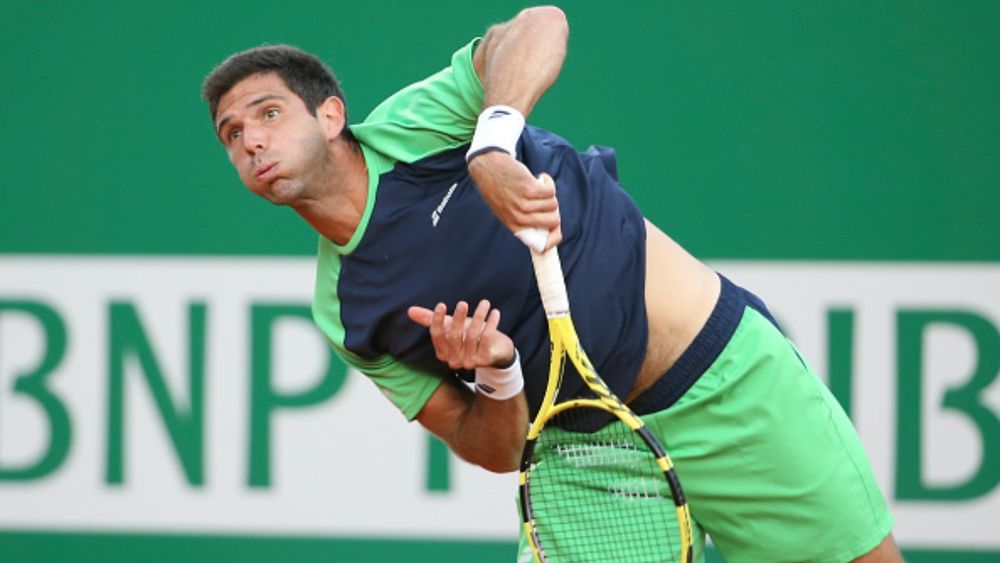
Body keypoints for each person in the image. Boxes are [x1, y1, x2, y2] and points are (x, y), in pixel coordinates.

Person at [202, 6, 901, 562]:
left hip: (723, 381)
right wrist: (497, 375)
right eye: (231, 135)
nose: (251, 141)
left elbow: (541, 23)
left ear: (330, 116)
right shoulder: (343, 306)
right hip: (584, 457)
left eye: (268, 113)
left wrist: (491, 142)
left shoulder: (419, 125)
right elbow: (493, 449)